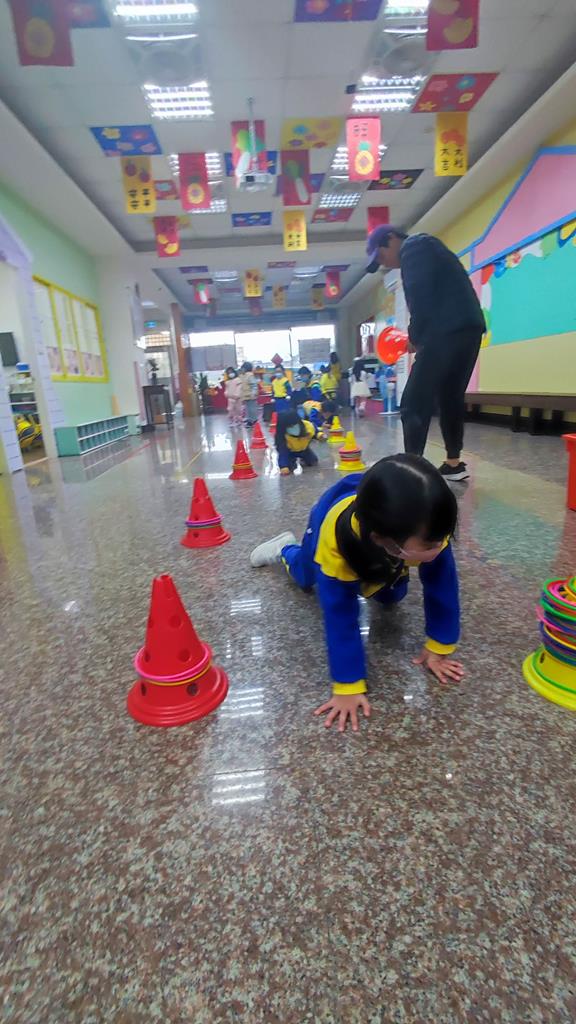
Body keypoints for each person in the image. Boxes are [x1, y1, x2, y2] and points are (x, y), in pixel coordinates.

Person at [250, 454, 463, 732]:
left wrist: (439, 645)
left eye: (443, 538)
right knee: (306, 575)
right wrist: (347, 685)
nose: (442, 545)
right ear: (385, 542)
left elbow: (443, 587)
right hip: (332, 520)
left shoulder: (431, 528)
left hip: (384, 527)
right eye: (432, 544)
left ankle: (385, 570)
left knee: (391, 595)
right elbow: (340, 616)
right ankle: (285, 549)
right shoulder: (335, 546)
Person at [366, 225, 486, 481]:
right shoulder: (429, 247)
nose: (385, 263)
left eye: (381, 256)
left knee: (412, 403)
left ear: (391, 238)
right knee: (450, 397)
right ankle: (453, 464)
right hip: (469, 330)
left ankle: (413, 472)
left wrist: (414, 336)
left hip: (445, 332)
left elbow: (420, 297)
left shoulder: (414, 247)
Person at [275, 410, 319, 476]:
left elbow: (314, 430)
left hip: (304, 449)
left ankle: (304, 459)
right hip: (290, 452)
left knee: (313, 461)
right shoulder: (282, 436)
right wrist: (283, 466)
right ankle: (291, 462)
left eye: (294, 425)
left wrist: (319, 435)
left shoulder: (308, 426)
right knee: (289, 467)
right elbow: (283, 452)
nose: (292, 428)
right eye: (289, 427)